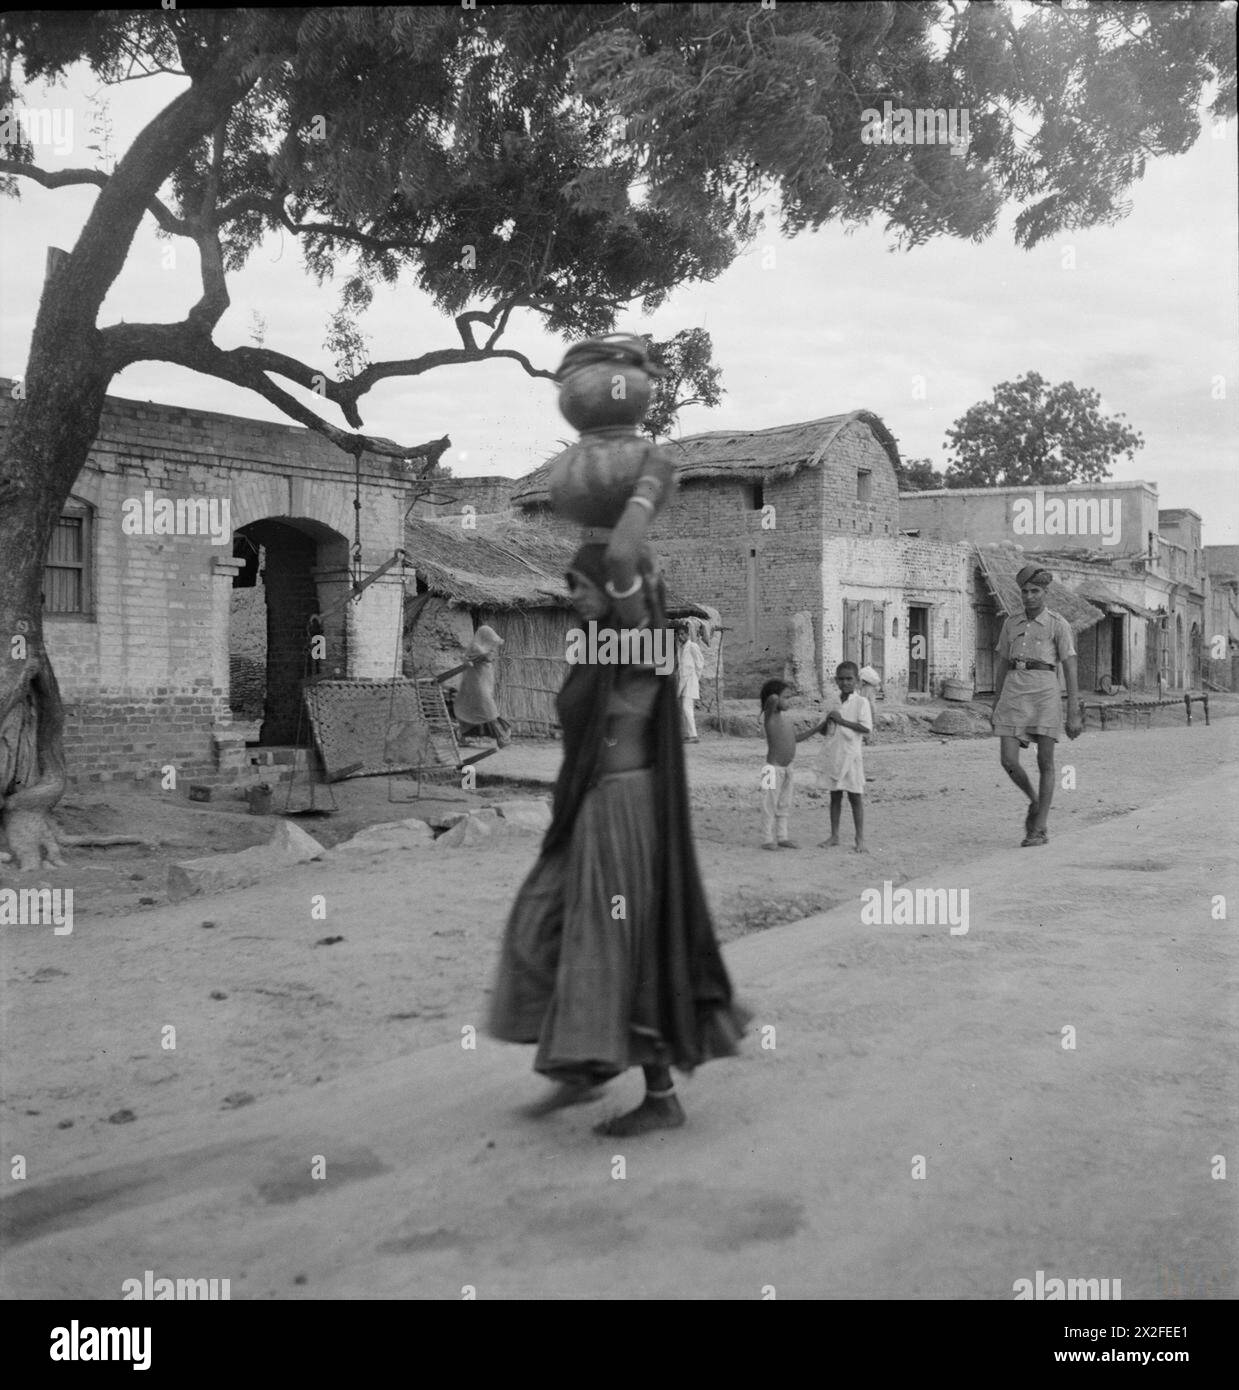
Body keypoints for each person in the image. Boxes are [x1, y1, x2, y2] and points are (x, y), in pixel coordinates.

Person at [488, 543, 748, 1136]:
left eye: (581, 584)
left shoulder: (643, 647)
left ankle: (657, 1094)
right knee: (537, 921)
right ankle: (582, 1060)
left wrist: (635, 497)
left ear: (615, 590)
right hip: (586, 809)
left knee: (613, 944)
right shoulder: (595, 650)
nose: (571, 595)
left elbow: (636, 596)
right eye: (571, 583)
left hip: (627, 809)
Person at [991, 563, 1083, 847]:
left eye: (1035, 591)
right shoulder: (1011, 623)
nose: (1029, 596)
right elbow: (1002, 663)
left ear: (1045, 593)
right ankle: (1034, 800)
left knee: (1045, 761)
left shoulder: (1058, 624)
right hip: (1014, 690)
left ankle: (1039, 828)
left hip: (1045, 692)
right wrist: (995, 704)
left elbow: (1069, 667)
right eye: (1025, 591)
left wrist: (1073, 712)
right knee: (1008, 760)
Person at [759, 678, 824, 851]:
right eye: (786, 697)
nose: (789, 701)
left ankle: (782, 837)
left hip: (788, 769)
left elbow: (795, 739)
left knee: (784, 804)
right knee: (769, 804)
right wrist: (774, 694)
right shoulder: (770, 716)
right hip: (771, 769)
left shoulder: (785, 719)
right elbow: (772, 699)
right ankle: (767, 838)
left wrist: (817, 729)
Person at [819, 661, 873, 853]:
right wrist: (828, 721)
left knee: (855, 797)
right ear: (836, 680)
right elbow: (824, 730)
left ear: (857, 681)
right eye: (841, 679)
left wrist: (842, 721)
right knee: (834, 796)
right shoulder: (832, 702)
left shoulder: (861, 702)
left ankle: (860, 838)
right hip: (835, 753)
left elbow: (866, 728)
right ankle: (834, 835)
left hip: (851, 756)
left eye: (849, 679)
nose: (845, 683)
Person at [453, 625, 512, 748]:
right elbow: (487, 657)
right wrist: (490, 655)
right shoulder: (477, 648)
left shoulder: (482, 648)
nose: (492, 643)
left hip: (480, 683)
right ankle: (500, 737)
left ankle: (462, 736)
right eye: (489, 639)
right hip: (475, 685)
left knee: (474, 711)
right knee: (488, 709)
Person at [675, 624, 705, 742]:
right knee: (684, 709)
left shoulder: (693, 646)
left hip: (690, 681)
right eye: (679, 634)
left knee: (687, 709)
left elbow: (699, 663)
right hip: (683, 681)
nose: (680, 636)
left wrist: (695, 677)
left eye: (683, 634)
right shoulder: (680, 648)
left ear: (687, 634)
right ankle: (688, 734)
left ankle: (693, 735)